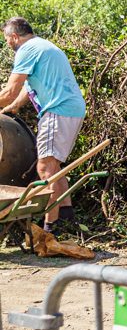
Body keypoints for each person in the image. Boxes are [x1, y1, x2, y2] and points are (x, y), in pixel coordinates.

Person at [0, 17, 87, 233]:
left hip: (58, 110)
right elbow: (24, 90)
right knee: (55, 168)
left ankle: (51, 227)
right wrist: (13, 107)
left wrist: (7, 100)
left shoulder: (26, 50)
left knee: (45, 168)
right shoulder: (43, 46)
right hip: (70, 109)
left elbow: (10, 90)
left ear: (14, 36)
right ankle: (68, 221)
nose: (7, 45)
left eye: (6, 40)